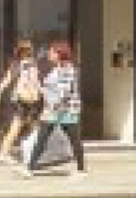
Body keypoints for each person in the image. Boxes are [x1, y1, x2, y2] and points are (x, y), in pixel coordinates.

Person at [22, 42, 85, 180]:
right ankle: (29, 168)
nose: (49, 54)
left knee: (74, 139)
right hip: (53, 110)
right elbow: (50, 90)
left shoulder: (67, 69)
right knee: (42, 138)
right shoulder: (57, 68)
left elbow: (64, 92)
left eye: (52, 52)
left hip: (66, 110)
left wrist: (49, 102)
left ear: (59, 54)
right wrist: (38, 86)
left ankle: (81, 170)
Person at [0, 42, 42, 164]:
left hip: (29, 99)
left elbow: (35, 81)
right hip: (25, 99)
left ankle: (7, 152)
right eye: (27, 50)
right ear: (22, 52)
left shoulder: (23, 65)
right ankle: (5, 152)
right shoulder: (23, 65)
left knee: (31, 126)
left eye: (29, 50)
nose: (29, 52)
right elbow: (7, 80)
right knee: (20, 126)